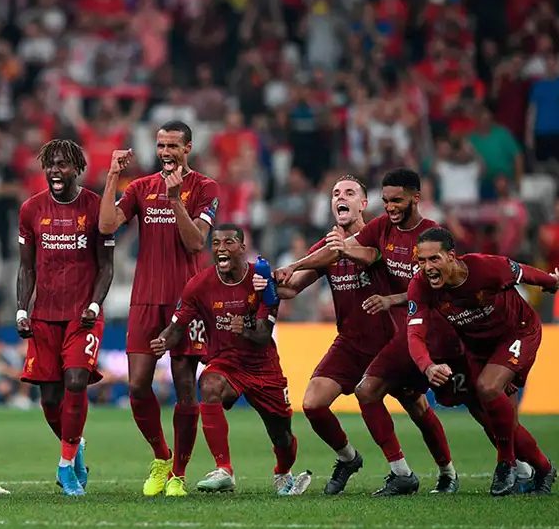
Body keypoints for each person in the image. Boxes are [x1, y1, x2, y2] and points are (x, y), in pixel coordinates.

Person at [275, 168, 457, 496]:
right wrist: (266, 283)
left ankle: (447, 471)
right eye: (335, 194)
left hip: (389, 339)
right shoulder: (325, 247)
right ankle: (349, 458)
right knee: (313, 404)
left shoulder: (380, 235)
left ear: (363, 203)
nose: (340, 198)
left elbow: (370, 255)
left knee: (417, 407)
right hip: (349, 342)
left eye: (348, 193)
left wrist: (336, 250)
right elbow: (290, 291)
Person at [98, 120, 219, 497]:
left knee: (185, 387)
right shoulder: (139, 187)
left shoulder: (204, 187)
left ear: (188, 148)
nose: (165, 152)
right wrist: (112, 177)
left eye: (172, 146)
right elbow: (105, 226)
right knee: (137, 386)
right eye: (161, 146)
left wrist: (175, 201)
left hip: (187, 301)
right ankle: (161, 456)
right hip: (146, 297)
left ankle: (178, 475)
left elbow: (197, 243)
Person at [152, 224, 311, 496]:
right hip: (226, 363)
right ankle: (224, 469)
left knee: (282, 435)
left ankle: (283, 472)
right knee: (210, 384)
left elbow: (263, 336)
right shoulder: (199, 285)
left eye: (228, 243)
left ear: (242, 247)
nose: (221, 248)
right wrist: (163, 340)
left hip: (263, 367)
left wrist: (245, 330)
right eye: (215, 243)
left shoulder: (261, 279)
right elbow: (178, 325)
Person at [408, 227, 557, 496]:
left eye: (434, 259)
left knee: (487, 387)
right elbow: (414, 333)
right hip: (478, 347)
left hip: (519, 331)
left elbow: (523, 272)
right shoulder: (421, 285)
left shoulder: (485, 267)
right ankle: (544, 469)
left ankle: (506, 464)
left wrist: (551, 282)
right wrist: (427, 365)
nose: (427, 267)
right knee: (500, 424)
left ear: (451, 257)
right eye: (422, 260)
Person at [17, 139, 115, 497]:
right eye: (50, 165)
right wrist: (21, 308)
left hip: (82, 315)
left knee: (75, 380)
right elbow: (26, 267)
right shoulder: (30, 210)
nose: (55, 171)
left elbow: (107, 267)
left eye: (63, 165)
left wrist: (93, 306)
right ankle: (75, 448)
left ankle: (64, 465)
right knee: (49, 399)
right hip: (44, 315)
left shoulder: (95, 207)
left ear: (77, 169)